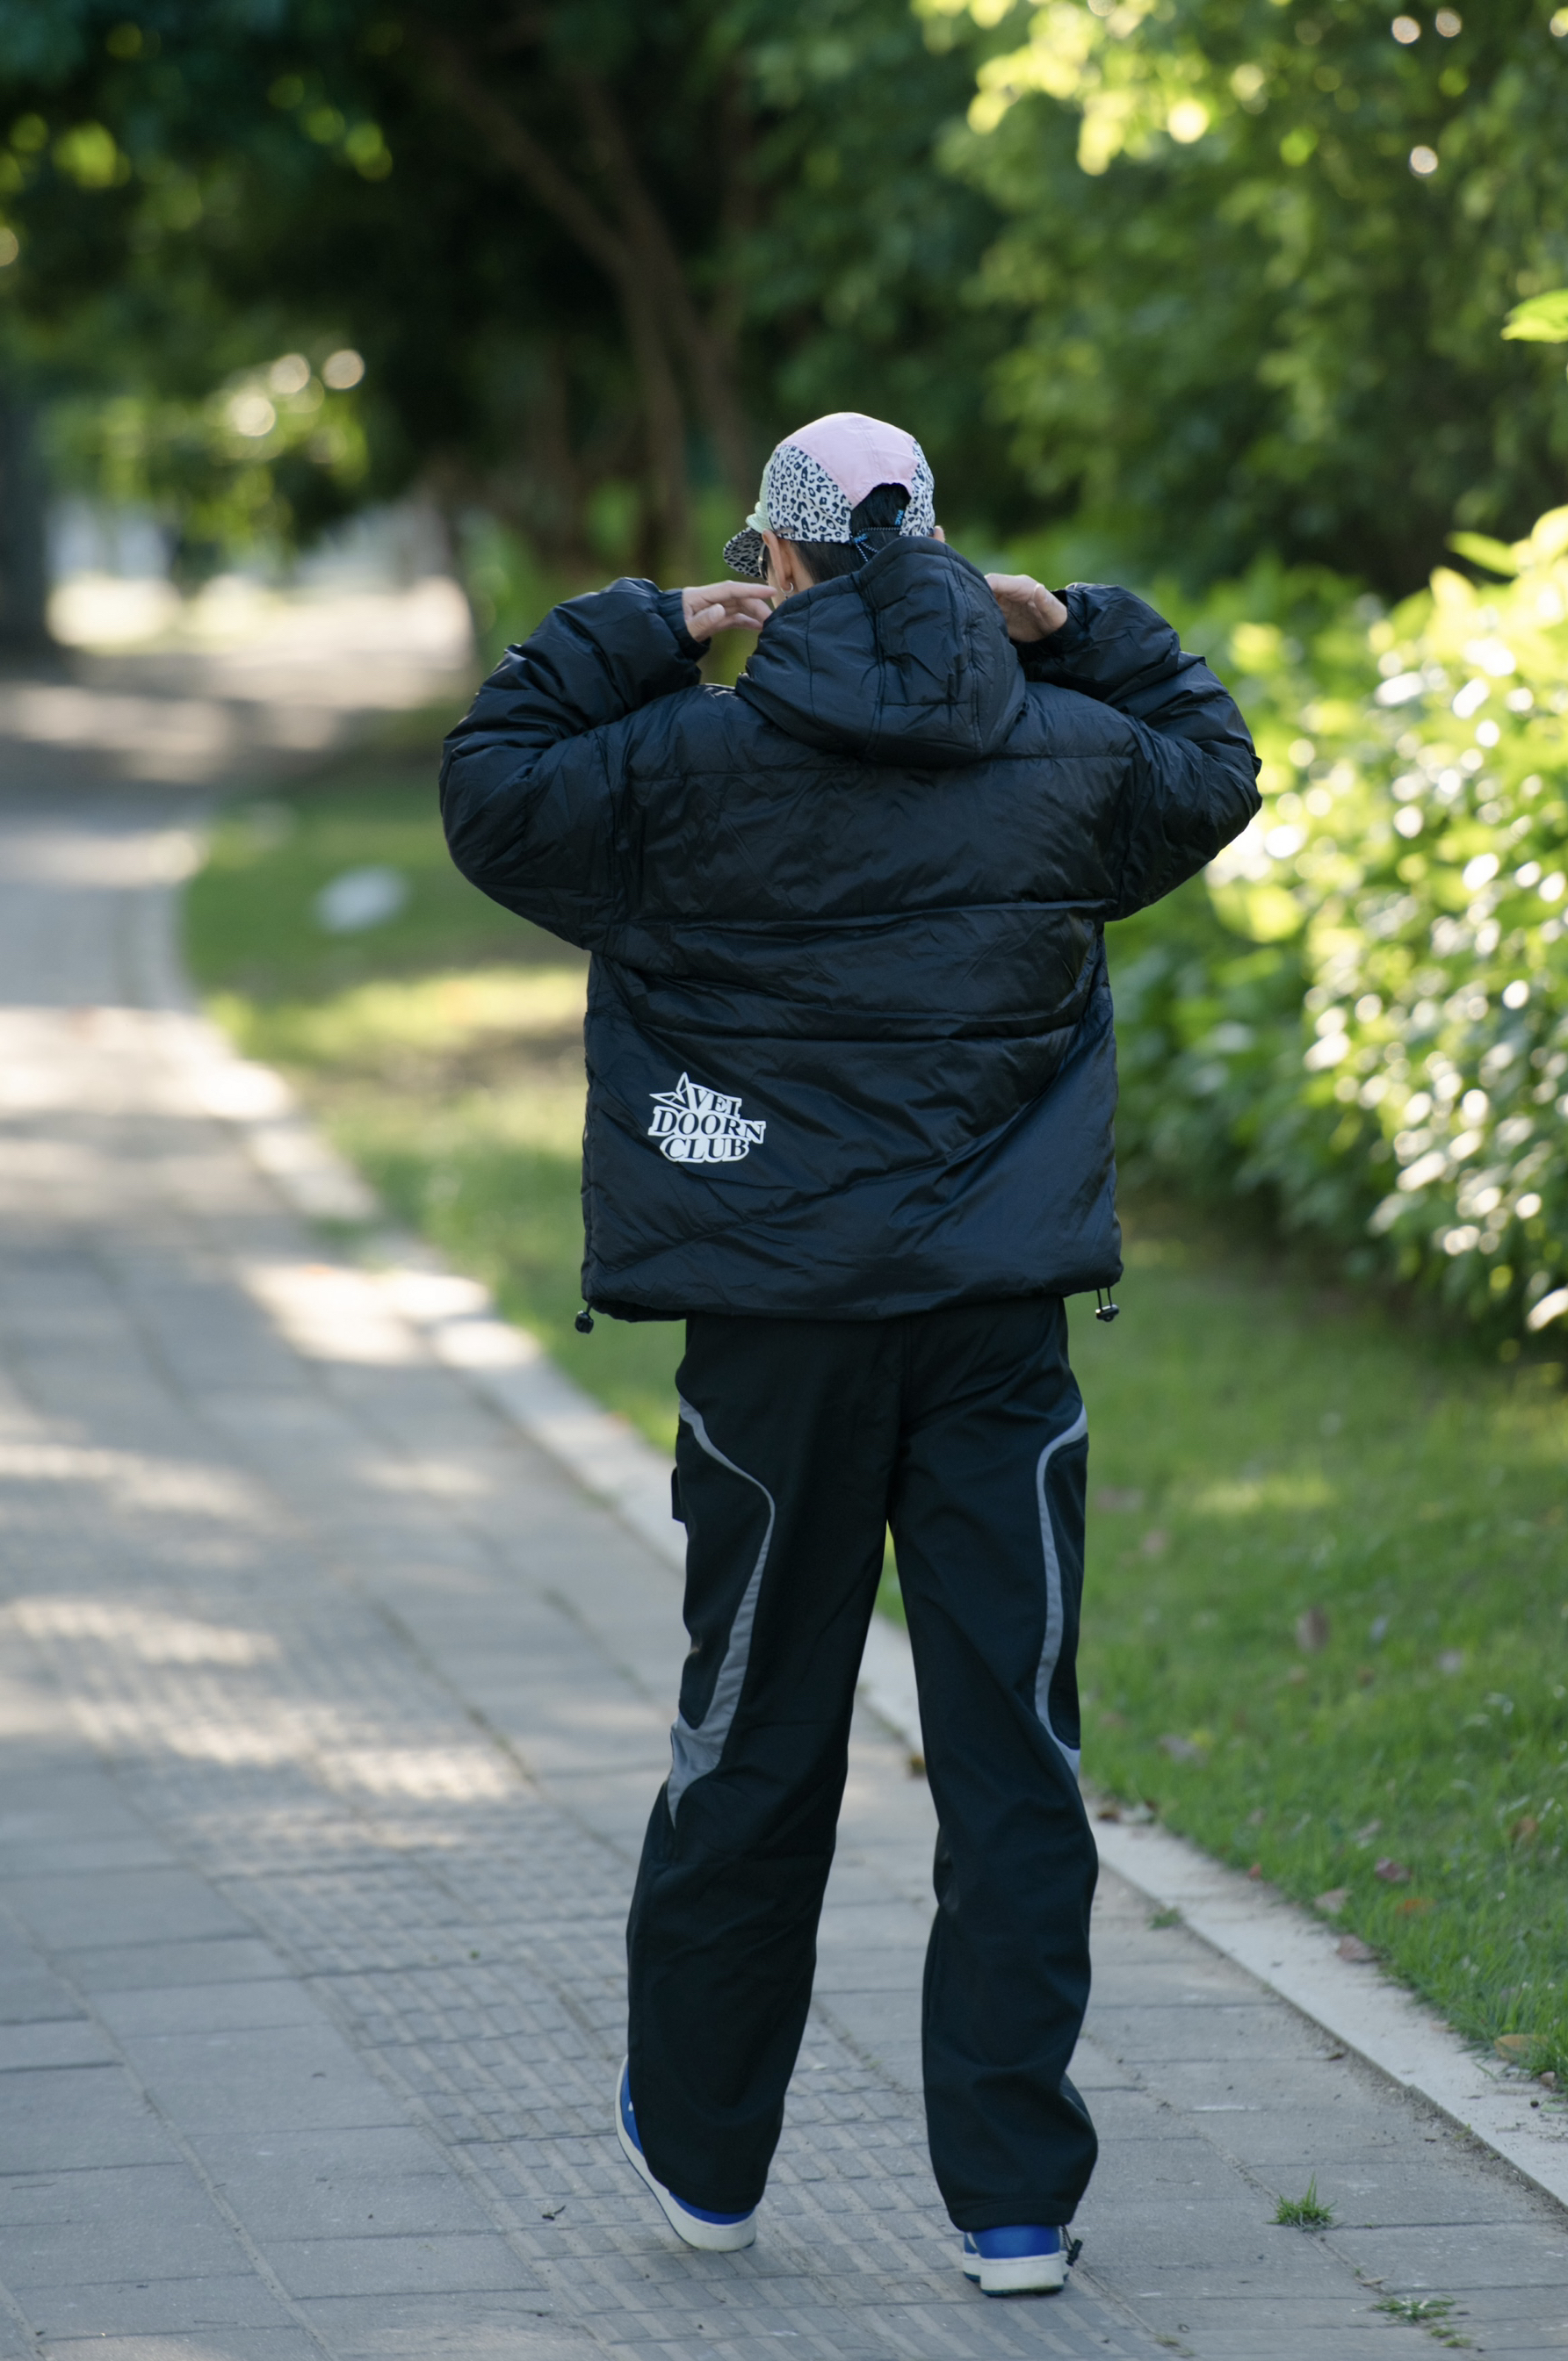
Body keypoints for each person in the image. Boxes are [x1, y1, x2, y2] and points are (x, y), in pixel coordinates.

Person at [440, 411, 1260, 2297]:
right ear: (950, 556)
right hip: (995, 1341)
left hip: (774, 1346)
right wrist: (1077, 626)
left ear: (778, 562)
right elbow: (1215, 763)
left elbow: (491, 787)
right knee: (1012, 1749)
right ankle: (1014, 2204)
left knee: (751, 1732)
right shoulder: (1066, 753)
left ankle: (708, 2159)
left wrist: (644, 626)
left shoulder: (678, 763)